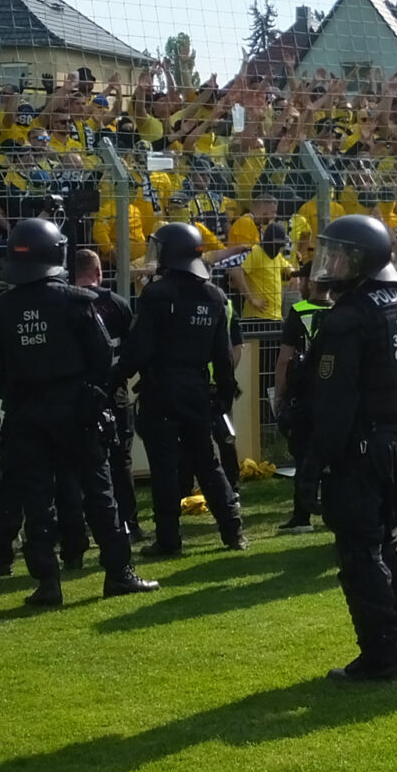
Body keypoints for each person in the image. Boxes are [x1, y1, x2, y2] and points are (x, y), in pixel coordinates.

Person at [0, 219, 156, 606]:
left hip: (25, 415)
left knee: (37, 500)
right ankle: (118, 573)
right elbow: (101, 357)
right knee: (99, 493)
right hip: (77, 412)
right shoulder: (77, 302)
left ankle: (47, 584)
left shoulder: (2, 310)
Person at [300, 214, 397, 682]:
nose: (332, 263)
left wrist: (314, 465)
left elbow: (333, 403)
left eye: (343, 256)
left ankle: (381, 657)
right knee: (388, 545)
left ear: (365, 261)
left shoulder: (348, 319)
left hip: (358, 450)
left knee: (361, 554)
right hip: (396, 443)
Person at [121, 222, 247, 557]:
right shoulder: (215, 296)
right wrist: (223, 393)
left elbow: (140, 348)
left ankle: (168, 539)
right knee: (207, 461)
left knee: (165, 467)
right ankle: (233, 530)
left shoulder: (157, 294)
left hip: (161, 389)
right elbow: (222, 355)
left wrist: (112, 378)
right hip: (196, 389)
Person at [75, 248, 141, 542]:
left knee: (78, 464)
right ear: (99, 272)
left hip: (79, 396)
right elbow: (132, 350)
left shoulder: (68, 304)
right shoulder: (118, 304)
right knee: (120, 462)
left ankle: (79, 526)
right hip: (115, 394)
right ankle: (129, 523)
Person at [272, 268, 330, 534]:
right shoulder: (343, 309)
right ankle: (332, 511)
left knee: (303, 454)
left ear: (311, 282)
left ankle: (302, 516)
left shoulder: (299, 311)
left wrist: (280, 395)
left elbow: (285, 359)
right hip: (333, 391)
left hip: (305, 394)